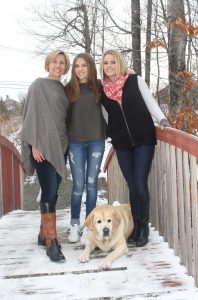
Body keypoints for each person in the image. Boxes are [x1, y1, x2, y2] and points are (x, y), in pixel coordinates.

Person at [99, 49, 171, 247]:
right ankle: (136, 225)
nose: (109, 66)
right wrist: (111, 135)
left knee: (139, 183)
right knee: (132, 185)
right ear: (102, 67)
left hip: (143, 139)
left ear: (119, 63)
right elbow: (107, 117)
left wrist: (162, 120)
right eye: (106, 63)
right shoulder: (102, 91)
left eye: (113, 62)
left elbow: (150, 102)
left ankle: (143, 225)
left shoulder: (134, 80)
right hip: (121, 144)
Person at [21, 50, 70, 262]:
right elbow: (30, 117)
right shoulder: (38, 85)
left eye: (62, 63)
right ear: (48, 64)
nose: (58, 65)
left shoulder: (64, 89)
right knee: (49, 191)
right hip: (41, 148)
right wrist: (33, 145)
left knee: (54, 190)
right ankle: (52, 242)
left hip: (60, 145)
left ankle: (43, 234)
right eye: (54, 62)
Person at [65, 53, 107, 244]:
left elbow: (118, 86)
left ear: (90, 68)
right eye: (76, 66)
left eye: (84, 66)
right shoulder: (68, 89)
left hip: (96, 142)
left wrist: (128, 74)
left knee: (91, 185)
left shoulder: (99, 86)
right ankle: (74, 224)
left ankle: (90, 226)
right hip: (75, 143)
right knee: (77, 185)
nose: (80, 69)